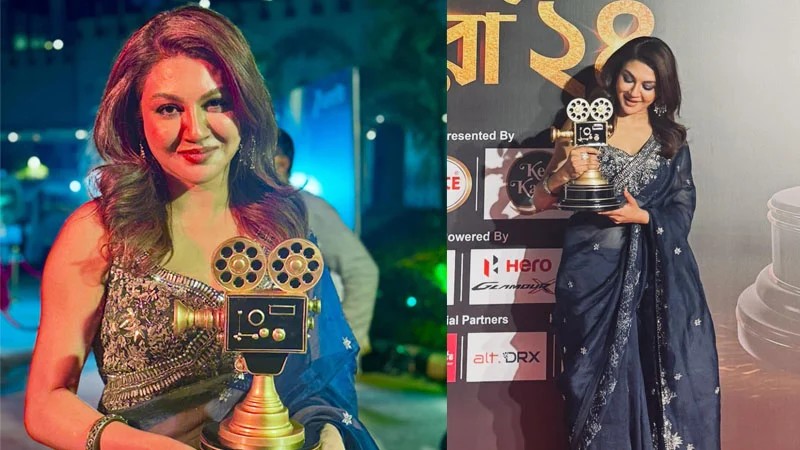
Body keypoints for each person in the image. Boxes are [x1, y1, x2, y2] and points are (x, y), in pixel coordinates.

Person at [24, 6, 378, 450]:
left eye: (216, 103)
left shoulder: (284, 228)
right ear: (136, 120)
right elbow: (46, 403)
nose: (196, 130)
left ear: (246, 109)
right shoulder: (99, 232)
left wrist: (330, 432)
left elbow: (319, 383)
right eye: (169, 108)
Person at [533, 37, 720, 450]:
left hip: (659, 282)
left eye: (648, 85)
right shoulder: (581, 128)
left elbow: (682, 209)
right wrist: (564, 172)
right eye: (628, 79)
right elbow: (539, 201)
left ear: (662, 89)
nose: (635, 92)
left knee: (665, 371)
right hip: (592, 278)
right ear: (614, 77)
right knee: (590, 382)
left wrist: (644, 217)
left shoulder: (671, 141)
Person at [274, 129, 379, 356]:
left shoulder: (305, 208)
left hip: (307, 362)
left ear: (281, 164)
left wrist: (343, 344)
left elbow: (362, 271)